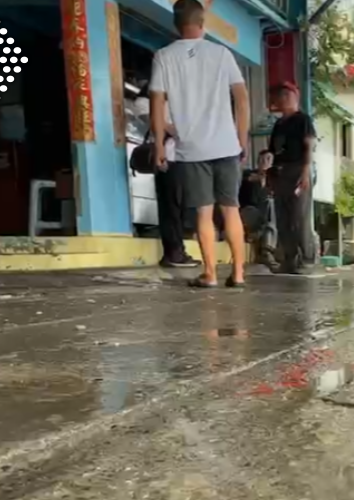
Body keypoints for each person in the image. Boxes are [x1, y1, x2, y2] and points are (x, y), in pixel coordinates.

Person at [150, 0, 249, 288]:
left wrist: (158, 145)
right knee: (231, 209)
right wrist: (240, 139)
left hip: (192, 149)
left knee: (203, 212)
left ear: (176, 24)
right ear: (202, 21)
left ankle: (210, 274)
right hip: (226, 146)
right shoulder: (221, 53)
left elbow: (157, 102)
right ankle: (239, 274)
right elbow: (242, 99)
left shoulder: (164, 56)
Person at [267, 82, 316, 274]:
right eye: (281, 96)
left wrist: (306, 170)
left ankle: (307, 259)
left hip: (298, 169)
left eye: (288, 95)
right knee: (282, 218)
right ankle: (289, 259)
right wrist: (269, 175)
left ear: (296, 98)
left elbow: (309, 144)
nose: (283, 99)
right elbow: (272, 151)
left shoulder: (303, 120)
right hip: (280, 171)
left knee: (299, 216)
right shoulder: (278, 124)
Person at [153, 117, 200, 268]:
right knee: (171, 207)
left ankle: (175, 251)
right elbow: (143, 108)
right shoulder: (159, 98)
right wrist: (170, 128)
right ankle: (174, 253)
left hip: (180, 159)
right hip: (169, 159)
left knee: (176, 208)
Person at [239, 149, 278, 269]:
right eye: (261, 160)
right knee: (268, 209)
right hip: (249, 212)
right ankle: (265, 247)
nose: (264, 162)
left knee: (271, 207)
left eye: (268, 159)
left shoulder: (275, 181)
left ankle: (264, 244)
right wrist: (260, 181)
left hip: (265, 218)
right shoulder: (249, 175)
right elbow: (245, 178)